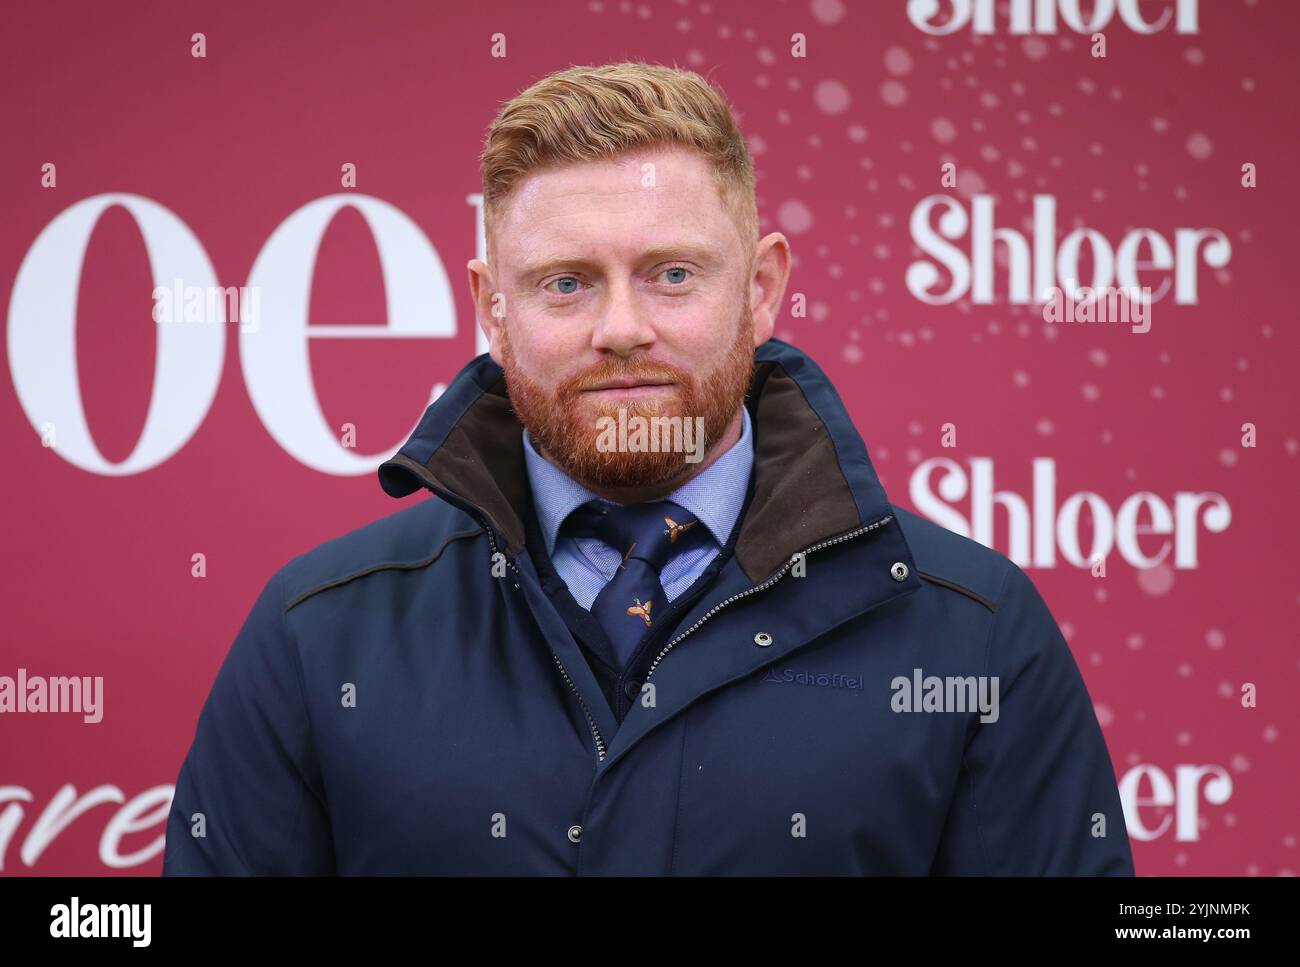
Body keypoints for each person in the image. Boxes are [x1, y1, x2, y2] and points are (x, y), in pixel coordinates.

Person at [162, 61, 1133, 876]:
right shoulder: (322, 634)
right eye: (565, 282)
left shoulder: (968, 633)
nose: (621, 329)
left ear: (761, 291)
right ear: (491, 309)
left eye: (672, 274)